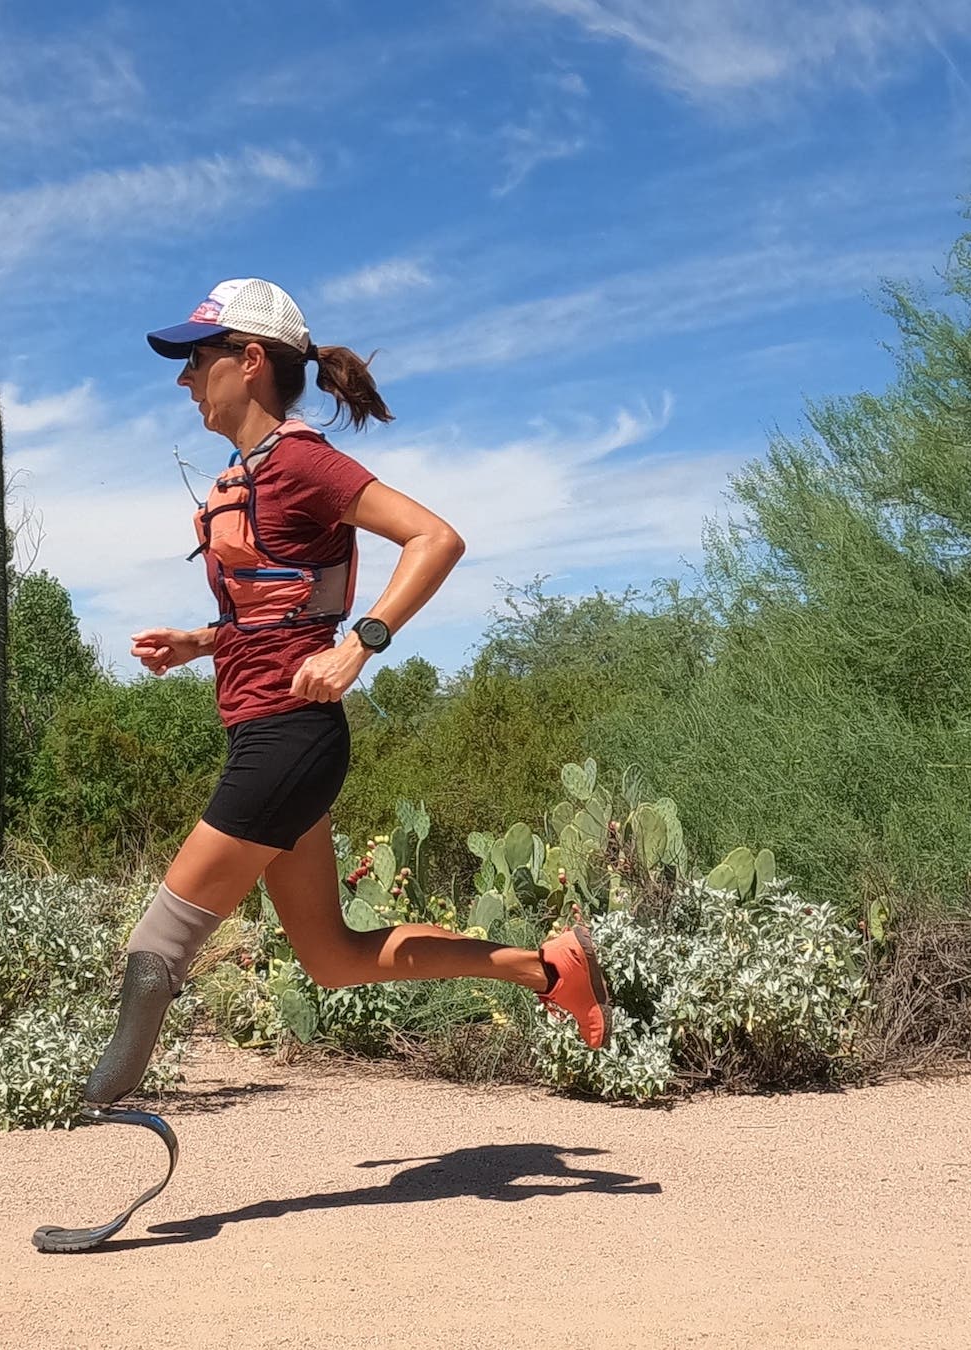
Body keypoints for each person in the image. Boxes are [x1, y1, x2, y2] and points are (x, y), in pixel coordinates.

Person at [79, 278, 610, 1110]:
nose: (183, 378)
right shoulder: (247, 473)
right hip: (271, 734)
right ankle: (545, 967)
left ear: (249, 362)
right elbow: (284, 608)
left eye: (196, 357)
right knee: (330, 958)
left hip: (289, 739)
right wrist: (202, 640)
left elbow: (436, 538)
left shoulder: (301, 461)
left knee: (156, 951)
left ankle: (91, 1119)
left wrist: (362, 645)